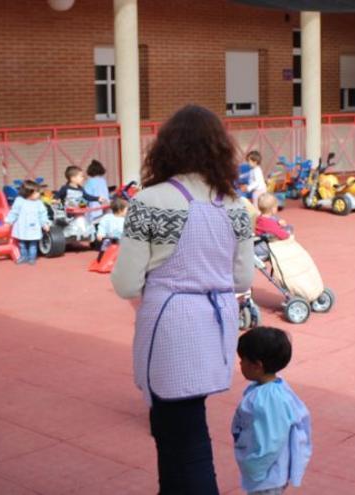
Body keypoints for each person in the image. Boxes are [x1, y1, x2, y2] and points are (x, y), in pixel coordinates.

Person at [111, 104, 255, 493]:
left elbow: (125, 283)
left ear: (167, 148)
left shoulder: (150, 201)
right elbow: (242, 276)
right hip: (216, 319)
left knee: (184, 433)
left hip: (171, 321)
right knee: (175, 424)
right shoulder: (238, 206)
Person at [232, 327, 312, 495]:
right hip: (268, 474)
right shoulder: (271, 389)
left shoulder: (268, 400)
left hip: (267, 477)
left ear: (257, 365)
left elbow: (272, 440)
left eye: (243, 360)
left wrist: (254, 469)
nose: (239, 364)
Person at [5, 180, 50, 265]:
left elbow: (43, 214)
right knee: (22, 244)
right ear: (29, 193)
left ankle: (32, 258)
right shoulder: (19, 201)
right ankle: (24, 257)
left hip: (34, 228)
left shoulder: (38, 203)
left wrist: (45, 223)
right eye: (36, 192)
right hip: (22, 228)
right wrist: (9, 221)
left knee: (33, 245)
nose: (39, 194)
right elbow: (14, 212)